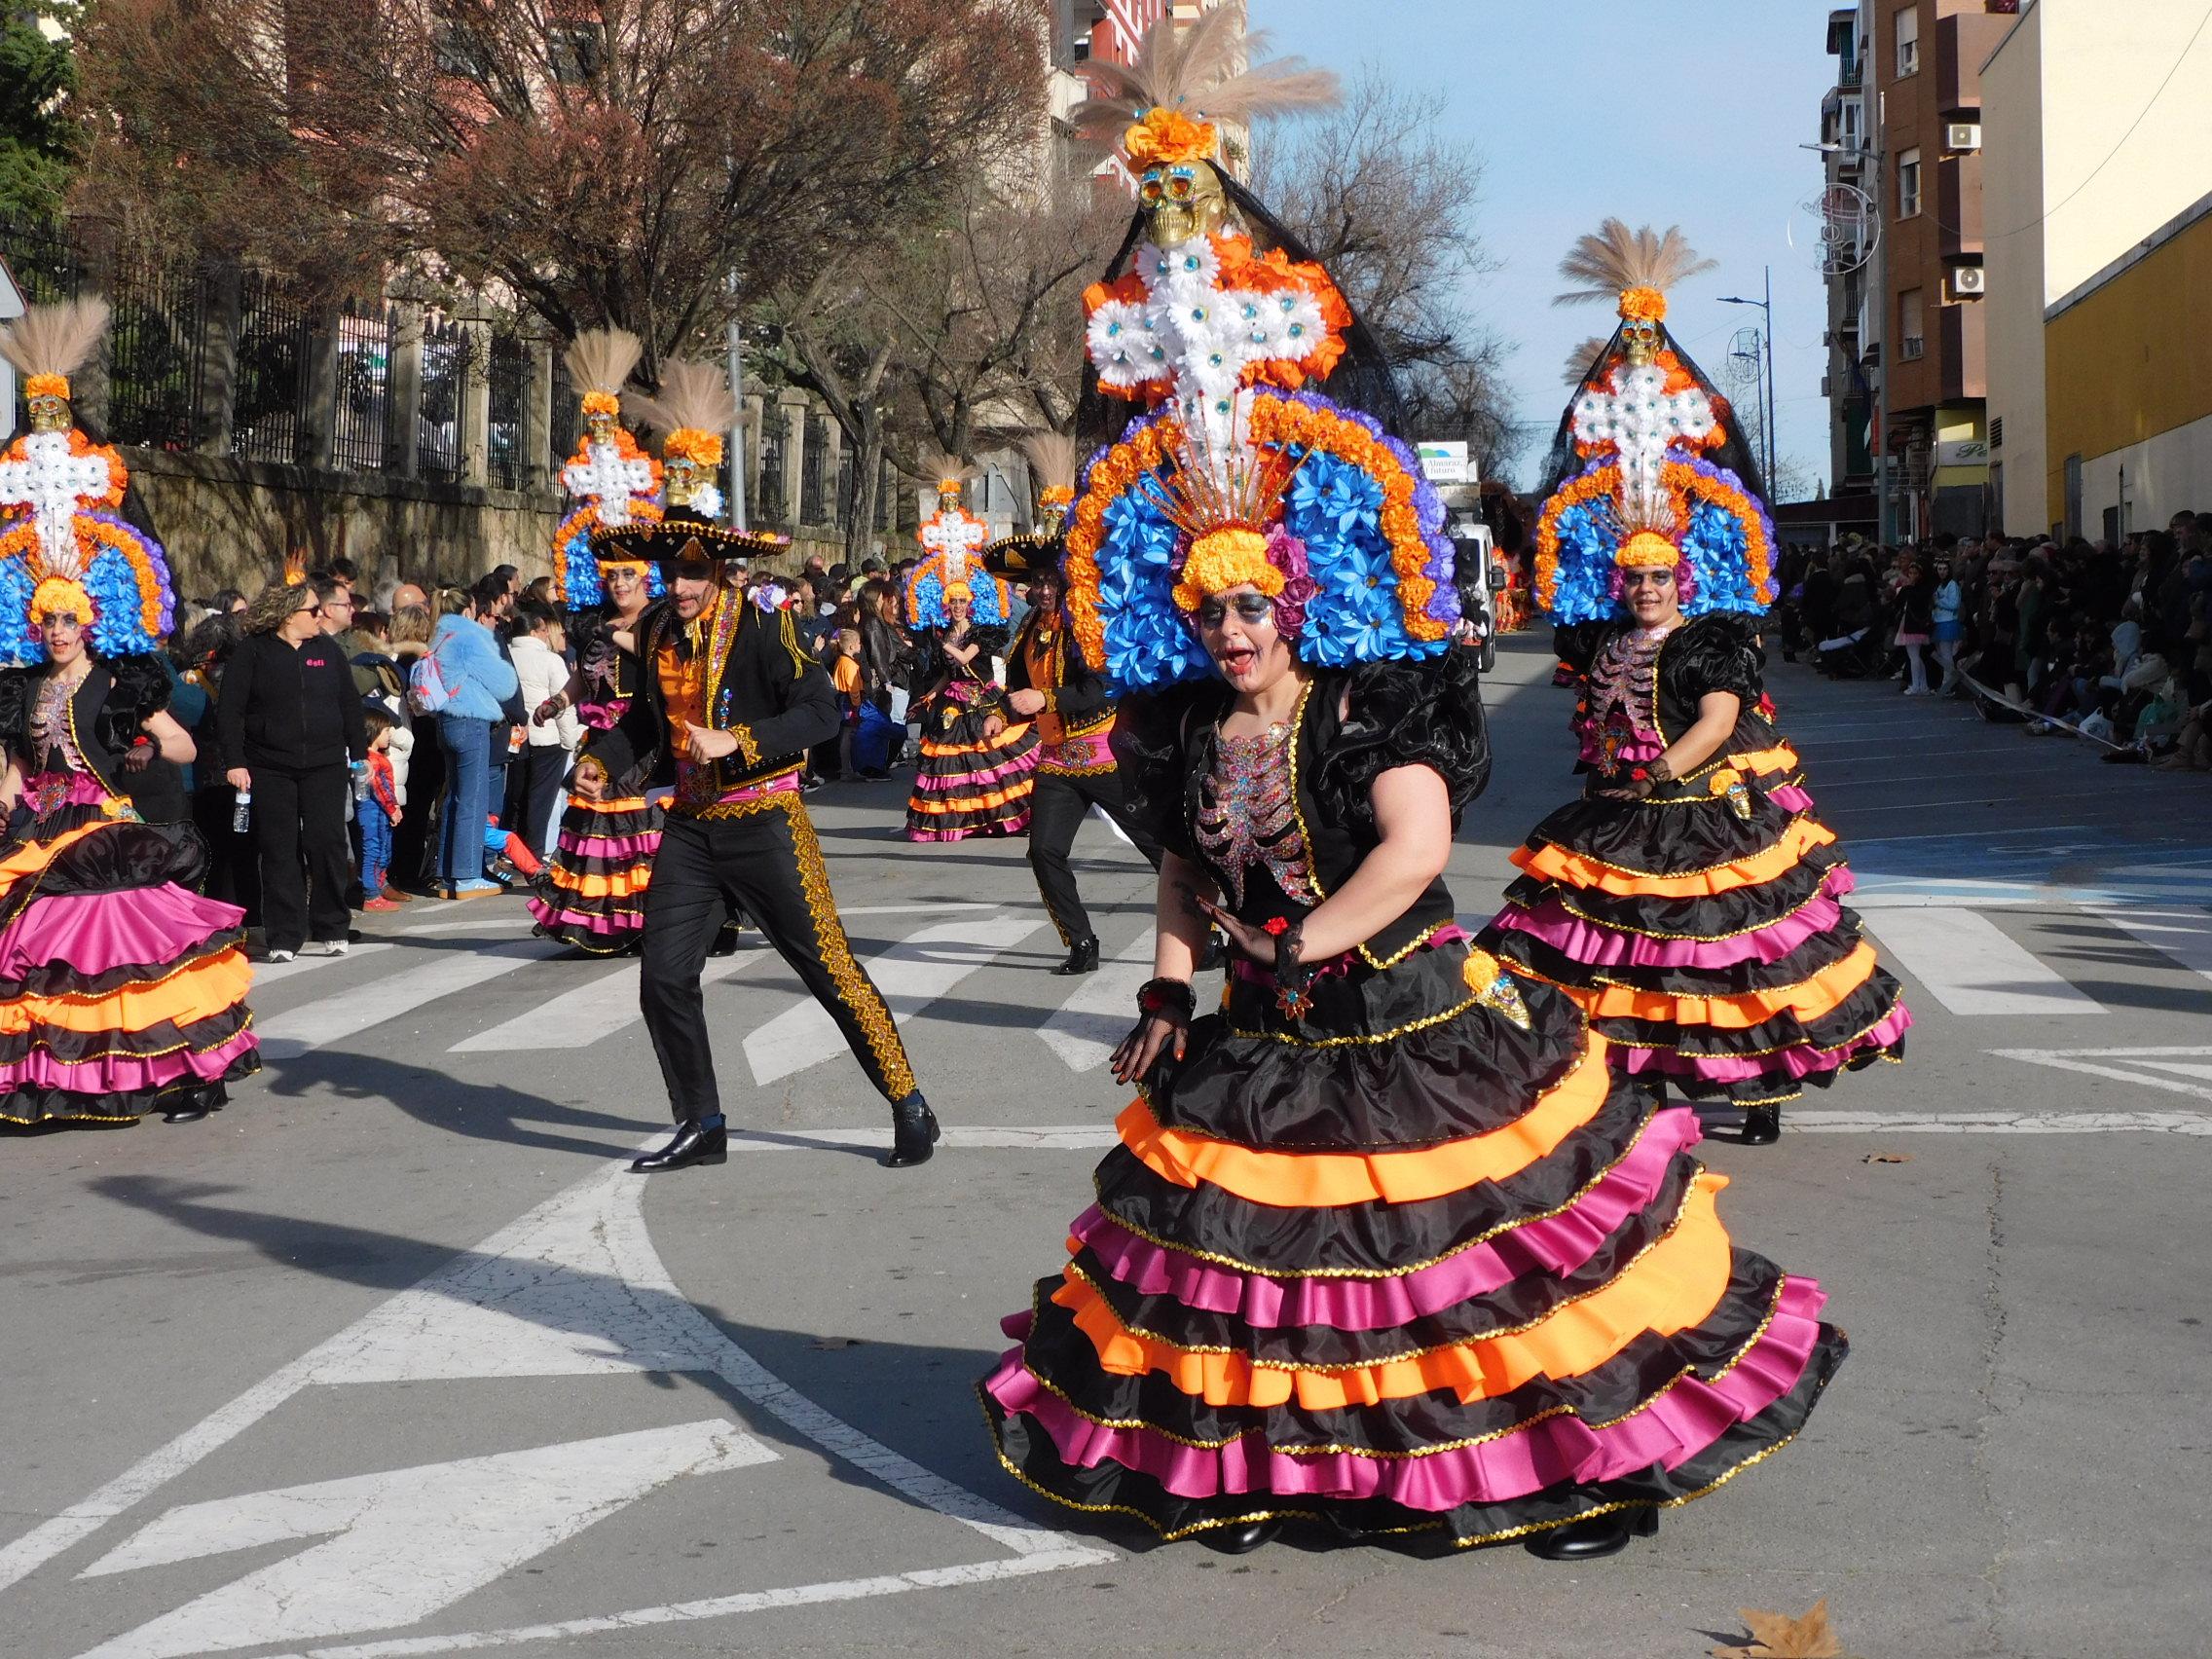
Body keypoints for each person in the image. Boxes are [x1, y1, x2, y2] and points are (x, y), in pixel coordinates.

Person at [978, 74, 1847, 1559]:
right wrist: (1173, 982)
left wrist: (1310, 936)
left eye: (1254, 602)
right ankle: (1251, 1463)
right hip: (1267, 1015)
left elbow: (1421, 848)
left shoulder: (1366, 711)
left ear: (1295, 600)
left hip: (1404, 1013)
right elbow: (1187, 864)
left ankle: (1567, 1466)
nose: (1234, 627)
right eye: (1209, 606)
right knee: (1270, 1262)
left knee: (1470, 1263)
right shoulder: (1194, 727)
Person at [1483, 221, 1909, 1146]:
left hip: (1702, 805)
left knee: (1722, 952)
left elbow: (1718, 718)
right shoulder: (1603, 636)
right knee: (1626, 950)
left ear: (1683, 581)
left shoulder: (1713, 638)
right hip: (1629, 799)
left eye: (1658, 579)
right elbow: (1591, 698)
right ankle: (1639, 1080)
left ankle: (1753, 1094)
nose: (1643, 590)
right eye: (1633, 579)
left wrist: (1661, 771)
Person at [577, 363, 939, 1172]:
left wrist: (735, 744)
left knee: (829, 970)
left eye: (697, 571)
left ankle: (908, 1101)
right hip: (693, 832)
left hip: (766, 821)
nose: (683, 585)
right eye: (674, 570)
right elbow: (644, 722)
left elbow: (819, 714)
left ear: (724, 571)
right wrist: (601, 759)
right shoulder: (662, 633)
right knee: (662, 978)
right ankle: (702, 1122)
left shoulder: (765, 627)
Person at [0, 297, 260, 1125]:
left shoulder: (121, 682)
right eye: (46, 619)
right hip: (43, 834)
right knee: (45, 962)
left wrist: (157, 740)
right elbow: (16, 761)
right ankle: (63, 1080)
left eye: (69, 618)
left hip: (108, 835)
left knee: (131, 959)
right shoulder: (25, 685)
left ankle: (191, 1074)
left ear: (92, 620)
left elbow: (181, 748)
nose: (57, 630)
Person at [989, 432, 1162, 974]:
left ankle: (1204, 938)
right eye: (1034, 582)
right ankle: (1081, 942)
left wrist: (1046, 696)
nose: (1041, 590)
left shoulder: (1089, 627)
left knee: (1162, 851)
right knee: (1044, 852)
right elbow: (1014, 684)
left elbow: (1103, 687)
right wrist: (1001, 710)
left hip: (1105, 755)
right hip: (1057, 761)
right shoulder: (1028, 631)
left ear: (1065, 580)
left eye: (1049, 581)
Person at [220, 575, 368, 959]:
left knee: (328, 844)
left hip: (325, 764)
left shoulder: (328, 651)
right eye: (313, 610)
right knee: (279, 850)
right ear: (288, 615)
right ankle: (285, 935)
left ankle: (333, 925)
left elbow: (349, 704)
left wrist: (360, 753)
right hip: (270, 766)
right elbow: (231, 710)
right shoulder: (253, 651)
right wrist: (235, 761)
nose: (320, 617)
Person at [901, 468, 1039, 840]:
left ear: (970, 603)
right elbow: (951, 672)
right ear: (947, 604)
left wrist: (940, 642)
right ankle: (959, 819)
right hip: (952, 697)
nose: (959, 605)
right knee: (951, 755)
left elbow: (965, 660)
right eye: (953, 601)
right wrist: (931, 692)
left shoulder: (981, 632)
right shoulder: (946, 631)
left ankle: (998, 815)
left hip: (982, 697)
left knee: (987, 755)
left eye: (963, 600)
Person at [413, 583, 518, 899]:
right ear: (468, 610)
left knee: (455, 798)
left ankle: (447, 876)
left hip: (445, 722)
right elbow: (505, 682)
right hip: (471, 721)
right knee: (474, 799)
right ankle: (468, 875)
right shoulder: (468, 636)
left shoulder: (437, 636)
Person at [506, 598, 577, 857]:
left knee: (516, 796)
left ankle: (512, 852)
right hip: (548, 739)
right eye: (545, 629)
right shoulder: (550, 660)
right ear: (535, 631)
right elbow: (564, 704)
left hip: (517, 737)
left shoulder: (506, 654)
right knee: (541, 800)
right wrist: (570, 741)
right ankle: (533, 854)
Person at [355, 707, 402, 912]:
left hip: (381, 810)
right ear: (373, 732)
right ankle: (371, 894)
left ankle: (379, 885)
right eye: (386, 731)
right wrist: (392, 808)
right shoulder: (370, 759)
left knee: (384, 849)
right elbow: (379, 787)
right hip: (372, 810)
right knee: (373, 849)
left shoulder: (377, 756)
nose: (389, 735)